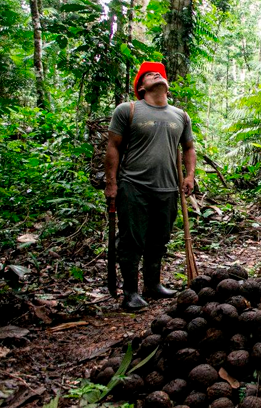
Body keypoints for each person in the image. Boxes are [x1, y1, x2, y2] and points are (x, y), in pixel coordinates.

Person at [104, 62, 196, 310]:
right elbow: (113, 147)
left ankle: (152, 285)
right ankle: (131, 292)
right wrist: (111, 183)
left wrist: (189, 176)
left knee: (160, 238)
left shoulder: (180, 115)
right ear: (141, 88)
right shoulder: (129, 110)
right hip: (134, 185)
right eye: (148, 75)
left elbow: (188, 148)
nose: (156, 75)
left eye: (159, 74)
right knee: (132, 240)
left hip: (167, 188)